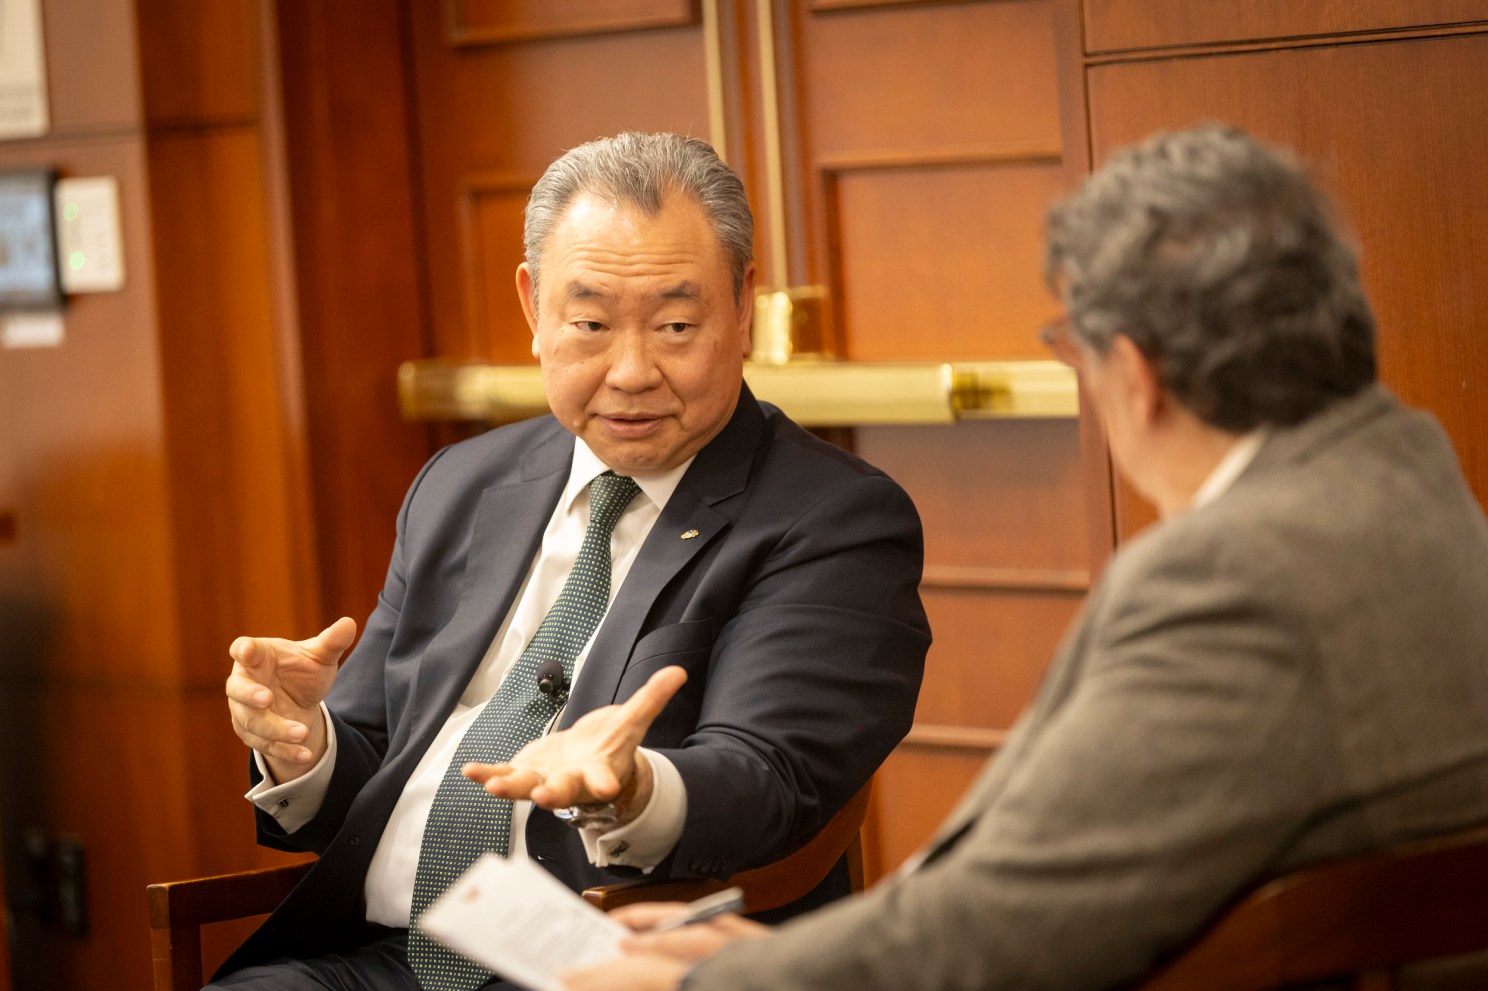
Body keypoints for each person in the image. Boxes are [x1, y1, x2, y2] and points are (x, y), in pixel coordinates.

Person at [556, 124, 1488, 991]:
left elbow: (1016, 919)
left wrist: (709, 981)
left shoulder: (1237, 578)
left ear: (1135, 371)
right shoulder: (1409, 477)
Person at [213, 131, 930, 989]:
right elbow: (370, 764)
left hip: (609, 961)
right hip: (380, 959)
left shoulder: (831, 517)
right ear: (532, 309)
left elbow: (767, 776)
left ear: (743, 306)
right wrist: (302, 745)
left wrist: (631, 788)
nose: (630, 371)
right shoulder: (463, 483)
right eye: (589, 324)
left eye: (674, 325)